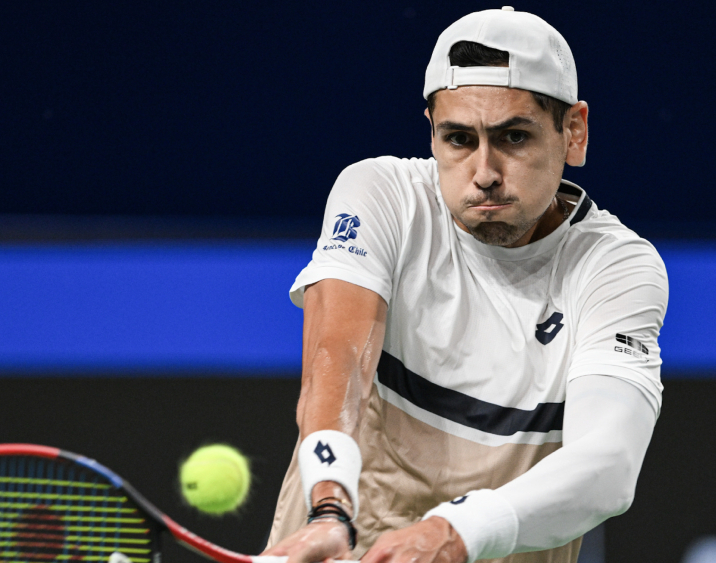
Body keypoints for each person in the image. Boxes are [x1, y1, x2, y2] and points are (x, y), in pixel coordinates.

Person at [261, 7, 667, 563]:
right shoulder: (382, 195)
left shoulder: (615, 267)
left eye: (514, 137)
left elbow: (608, 466)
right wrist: (329, 505)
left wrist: (453, 531)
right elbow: (337, 359)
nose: (484, 173)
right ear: (432, 131)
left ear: (573, 132)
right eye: (458, 139)